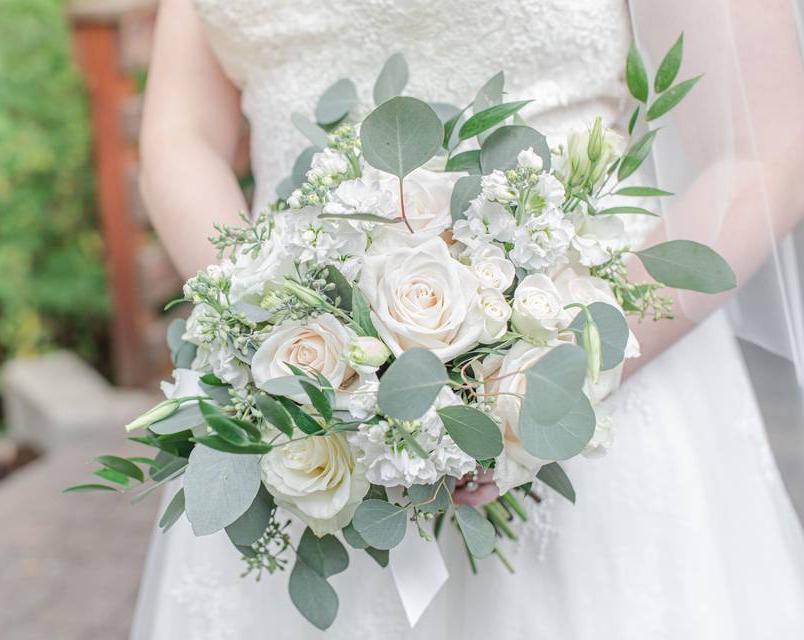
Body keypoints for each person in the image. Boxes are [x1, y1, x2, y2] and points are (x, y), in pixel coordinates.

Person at [132, 0, 804, 637]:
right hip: (302, 414)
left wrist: (556, 372)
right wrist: (273, 328)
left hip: (596, 390)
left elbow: (765, 147)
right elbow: (182, 134)